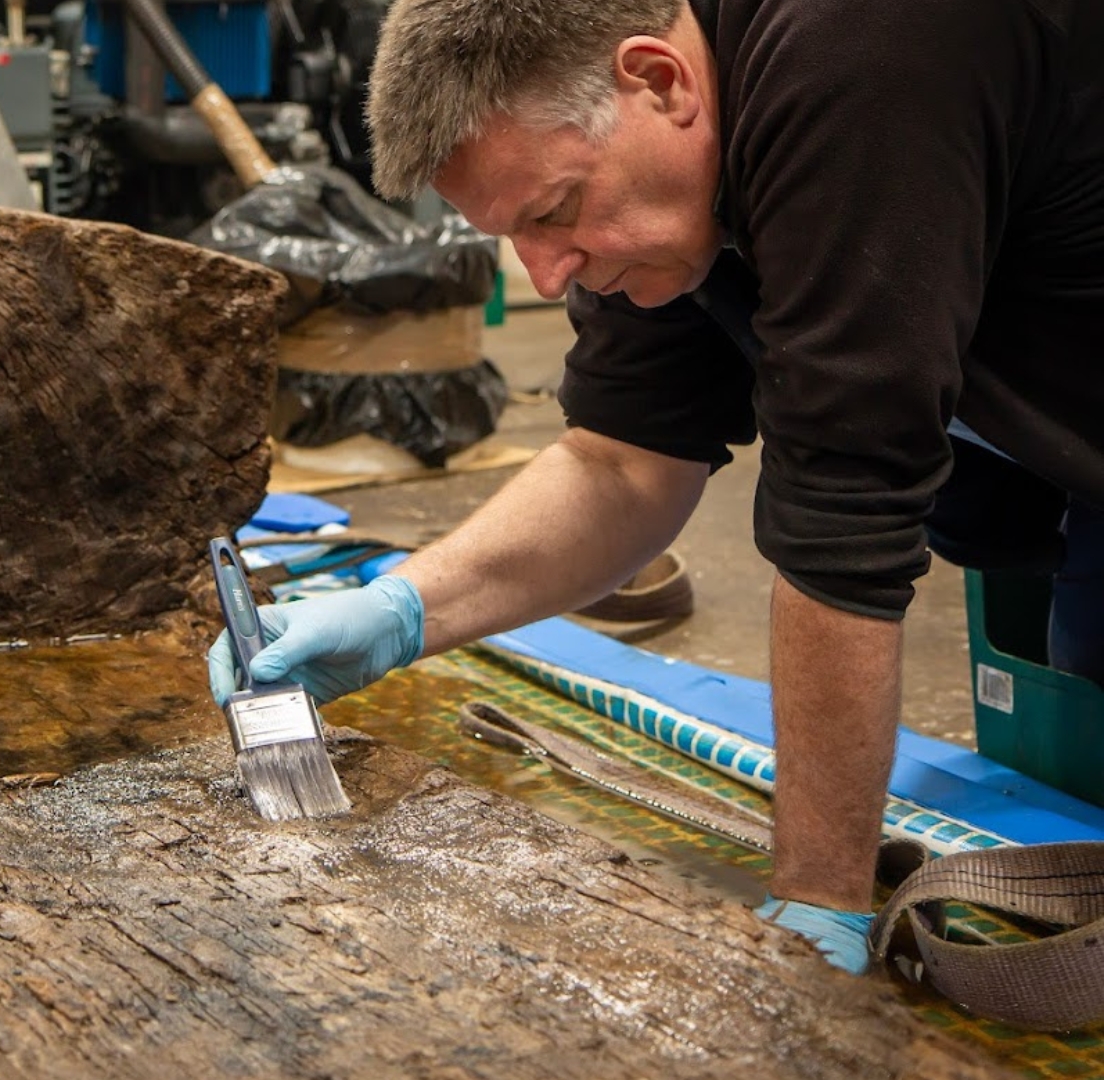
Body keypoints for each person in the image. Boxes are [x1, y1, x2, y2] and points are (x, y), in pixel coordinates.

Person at [209, 0, 1104, 975]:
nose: (548, 279)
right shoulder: (656, 179)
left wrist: (816, 912)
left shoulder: (863, 49)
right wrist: (399, 611)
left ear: (661, 81)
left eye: (552, 213)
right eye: (517, 233)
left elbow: (845, 521)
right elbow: (626, 459)